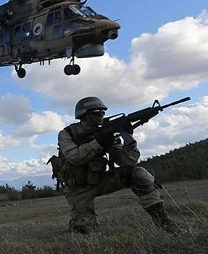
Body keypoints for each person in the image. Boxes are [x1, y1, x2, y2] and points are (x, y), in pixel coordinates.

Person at [56, 96, 176, 235]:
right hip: (77, 189)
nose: (101, 116)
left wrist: (128, 139)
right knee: (84, 232)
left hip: (100, 181)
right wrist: (99, 142)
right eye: (97, 112)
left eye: (103, 112)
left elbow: (127, 162)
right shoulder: (67, 133)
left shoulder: (105, 133)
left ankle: (164, 223)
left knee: (139, 174)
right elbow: (74, 157)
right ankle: (77, 225)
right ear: (84, 114)